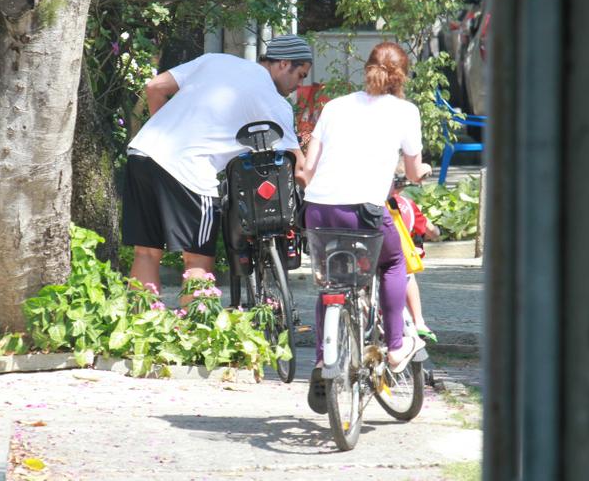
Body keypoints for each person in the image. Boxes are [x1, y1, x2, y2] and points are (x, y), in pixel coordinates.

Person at [122, 35, 312, 294]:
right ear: (283, 64)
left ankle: (144, 328)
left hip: (143, 152)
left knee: (145, 253)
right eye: (300, 75)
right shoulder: (273, 101)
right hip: (189, 169)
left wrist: (171, 134)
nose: (299, 85)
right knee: (197, 258)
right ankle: (195, 331)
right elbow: (298, 169)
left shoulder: (216, 61)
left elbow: (155, 87)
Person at [299, 41, 431, 413]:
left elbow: (308, 169)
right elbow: (411, 170)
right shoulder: (405, 112)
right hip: (365, 211)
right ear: (401, 76)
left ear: (367, 69)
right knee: (392, 263)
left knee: (331, 282)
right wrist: (421, 173)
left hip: (319, 210)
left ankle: (325, 358)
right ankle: (394, 347)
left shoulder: (335, 106)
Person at [390, 175, 441, 342]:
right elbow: (430, 231)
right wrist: (437, 232)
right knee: (407, 272)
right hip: (394, 256)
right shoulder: (406, 205)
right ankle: (419, 322)